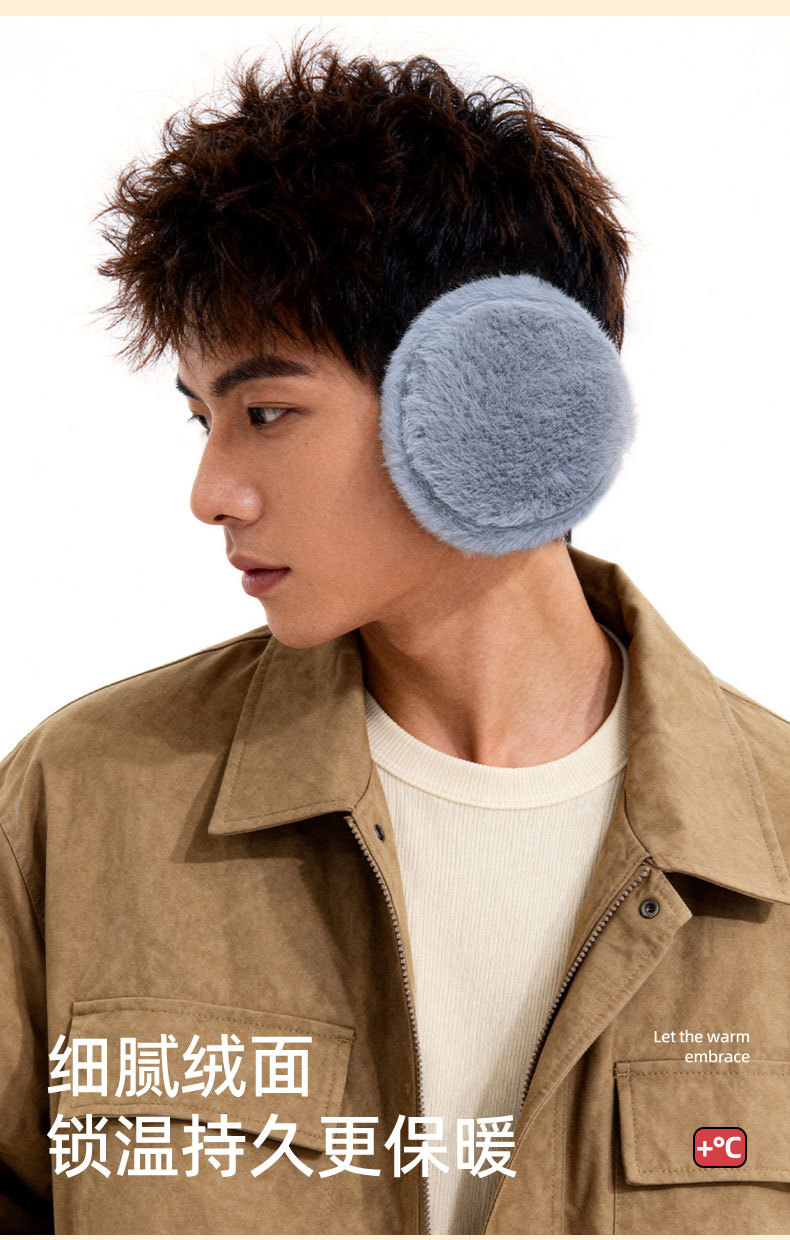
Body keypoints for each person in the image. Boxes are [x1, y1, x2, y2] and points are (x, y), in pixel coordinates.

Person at [2, 36, 789, 1238]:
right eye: (204, 418)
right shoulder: (86, 800)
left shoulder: (775, 841)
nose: (211, 492)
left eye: (267, 411)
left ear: (503, 399)